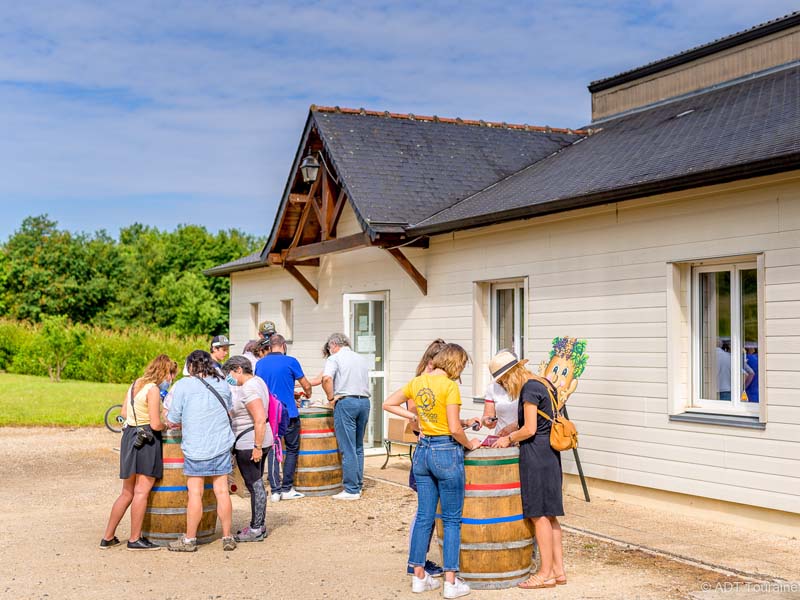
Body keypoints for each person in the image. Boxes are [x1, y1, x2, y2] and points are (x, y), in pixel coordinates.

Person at [384, 343, 480, 598]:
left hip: (423, 452)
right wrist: (470, 443)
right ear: (455, 363)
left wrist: (415, 420)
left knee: (424, 516)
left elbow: (388, 403)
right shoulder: (450, 387)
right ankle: (451, 581)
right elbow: (454, 428)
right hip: (446, 451)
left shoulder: (418, 382)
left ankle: (419, 577)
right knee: (450, 519)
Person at [490, 350, 566, 589]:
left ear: (510, 375)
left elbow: (530, 429)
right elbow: (543, 418)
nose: (503, 386)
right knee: (550, 515)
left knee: (538, 515)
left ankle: (543, 574)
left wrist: (509, 437)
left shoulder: (529, 389)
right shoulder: (544, 383)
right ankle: (558, 571)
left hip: (535, 455)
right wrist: (513, 426)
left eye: (502, 381)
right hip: (551, 455)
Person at [101, 354, 176, 550]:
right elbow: (155, 423)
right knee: (142, 491)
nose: (171, 379)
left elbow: (124, 413)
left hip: (130, 437)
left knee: (127, 492)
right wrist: (166, 424)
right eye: (170, 375)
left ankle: (108, 536)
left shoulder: (135, 384)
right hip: (147, 438)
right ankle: (135, 538)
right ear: (164, 372)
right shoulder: (152, 389)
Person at [166, 350, 237, 552]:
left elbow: (173, 418)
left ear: (190, 366)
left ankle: (189, 540)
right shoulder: (222, 383)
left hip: (195, 447)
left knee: (195, 494)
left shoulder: (183, 385)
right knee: (222, 492)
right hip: (220, 444)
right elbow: (229, 407)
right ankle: (227, 537)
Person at [404, 339, 448, 578]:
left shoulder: (424, 380)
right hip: (429, 448)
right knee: (425, 513)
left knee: (426, 512)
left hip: (427, 448)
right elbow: (413, 416)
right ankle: (416, 560)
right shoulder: (423, 382)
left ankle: (417, 560)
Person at [222, 355, 274, 542]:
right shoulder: (258, 381)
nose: (229, 378)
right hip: (261, 436)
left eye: (229, 374)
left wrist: (257, 447)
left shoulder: (249, 387)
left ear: (238, 369)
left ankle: (256, 528)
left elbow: (259, 417)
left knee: (254, 485)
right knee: (257, 483)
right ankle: (259, 524)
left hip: (250, 441)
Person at [255, 333, 311, 501]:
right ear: (283, 345)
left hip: (270, 415)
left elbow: (260, 387)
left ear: (270, 346)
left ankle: (275, 490)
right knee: (292, 450)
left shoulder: (260, 364)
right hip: (290, 413)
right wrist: (307, 394)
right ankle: (287, 488)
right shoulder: (291, 361)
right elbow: (306, 384)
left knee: (273, 448)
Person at [321, 333, 372, 501]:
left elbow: (327, 378)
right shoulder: (360, 358)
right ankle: (358, 484)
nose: (329, 351)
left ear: (334, 345)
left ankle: (351, 489)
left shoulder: (335, 358)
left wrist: (330, 398)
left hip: (346, 402)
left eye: (329, 348)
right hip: (364, 402)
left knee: (347, 447)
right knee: (358, 446)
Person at [480, 349, 522, 439]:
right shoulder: (492, 387)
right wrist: (486, 421)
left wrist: (515, 425)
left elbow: (534, 418)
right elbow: (487, 415)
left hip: (522, 439)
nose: (501, 380)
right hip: (501, 438)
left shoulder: (527, 385)